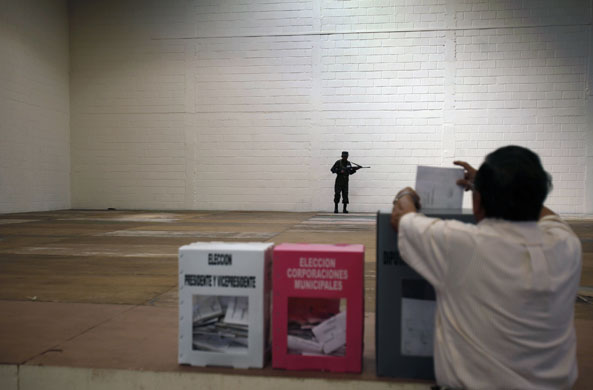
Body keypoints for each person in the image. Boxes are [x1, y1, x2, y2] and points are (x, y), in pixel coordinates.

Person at [390, 145, 582, 389]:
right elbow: (547, 216)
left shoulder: (461, 245)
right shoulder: (566, 244)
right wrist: (498, 185)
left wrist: (405, 193)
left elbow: (402, 217)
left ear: (478, 200)